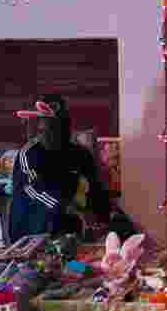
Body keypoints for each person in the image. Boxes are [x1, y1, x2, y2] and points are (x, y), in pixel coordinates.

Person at [9, 95, 110, 243]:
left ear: (66, 128)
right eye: (44, 130)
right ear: (38, 128)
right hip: (33, 231)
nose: (48, 135)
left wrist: (103, 217)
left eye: (56, 128)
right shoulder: (29, 154)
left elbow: (95, 189)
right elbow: (34, 189)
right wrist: (66, 207)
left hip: (71, 231)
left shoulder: (81, 154)